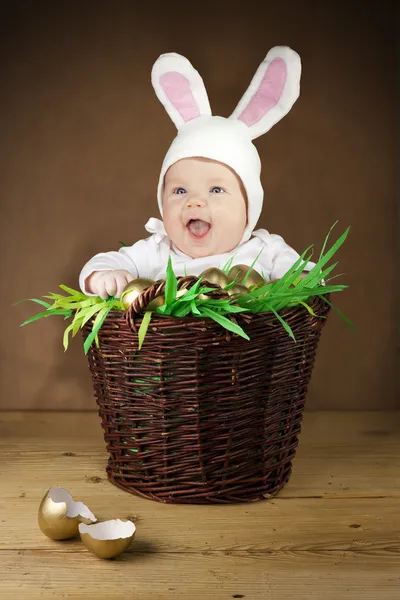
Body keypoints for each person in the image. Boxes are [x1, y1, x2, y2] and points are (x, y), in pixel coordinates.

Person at [79, 46, 314, 300]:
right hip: (170, 341)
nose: (195, 201)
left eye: (216, 190)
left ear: (248, 207)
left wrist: (296, 284)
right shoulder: (158, 251)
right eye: (179, 190)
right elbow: (100, 263)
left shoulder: (265, 251)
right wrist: (104, 276)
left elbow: (310, 277)